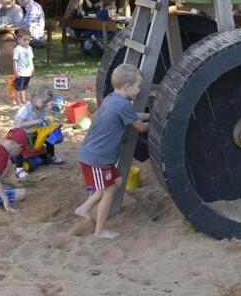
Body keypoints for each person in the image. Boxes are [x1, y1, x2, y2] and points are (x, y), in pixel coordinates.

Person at [74, 64, 147, 238]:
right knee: (108, 191)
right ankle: (99, 231)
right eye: (138, 86)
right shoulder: (124, 105)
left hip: (92, 154)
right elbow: (141, 127)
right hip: (97, 158)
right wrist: (160, 121)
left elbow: (133, 117)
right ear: (127, 86)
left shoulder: (111, 99)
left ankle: (83, 208)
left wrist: (152, 114)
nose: (139, 90)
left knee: (117, 181)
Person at [12, 85, 65, 177]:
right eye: (44, 102)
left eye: (47, 103)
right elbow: (19, 124)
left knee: (49, 138)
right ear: (35, 98)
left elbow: (45, 119)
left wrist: (50, 122)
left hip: (35, 131)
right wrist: (36, 121)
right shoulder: (25, 109)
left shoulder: (41, 109)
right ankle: (19, 168)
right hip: (21, 132)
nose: (45, 105)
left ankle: (51, 156)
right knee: (20, 148)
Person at [12, 31, 34, 105]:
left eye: (28, 40)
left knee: (24, 87)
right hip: (20, 72)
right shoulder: (17, 49)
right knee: (18, 88)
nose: (26, 42)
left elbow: (31, 59)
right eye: (24, 39)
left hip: (28, 72)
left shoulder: (29, 48)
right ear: (19, 40)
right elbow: (15, 61)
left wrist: (32, 68)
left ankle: (23, 100)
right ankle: (18, 100)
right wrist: (15, 71)